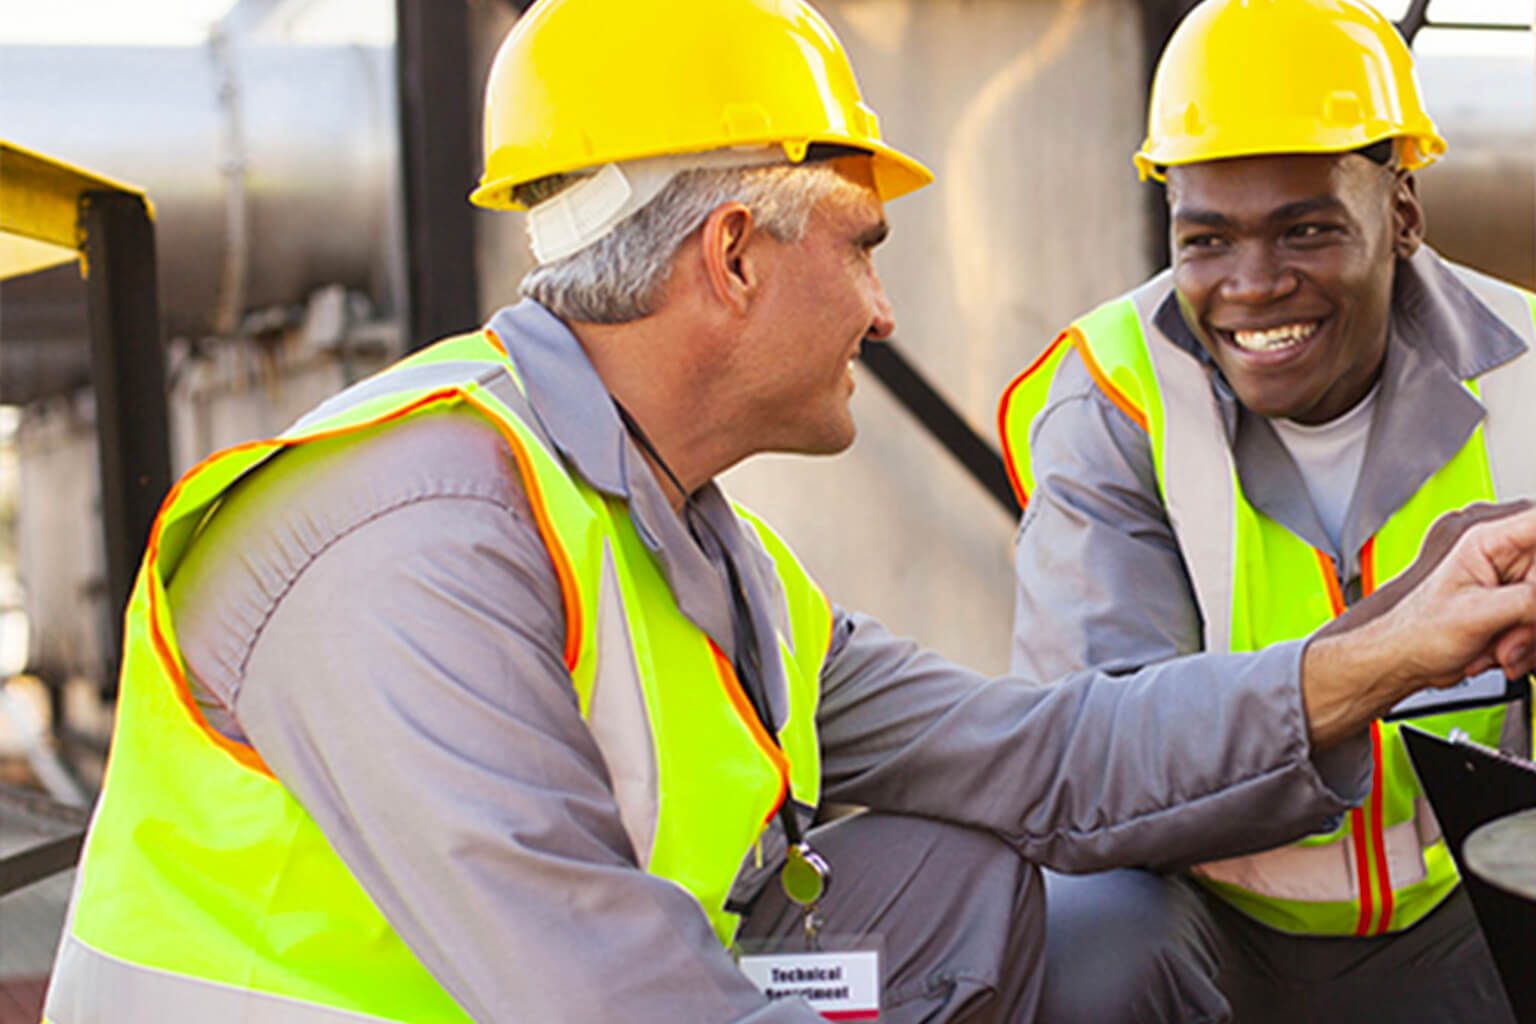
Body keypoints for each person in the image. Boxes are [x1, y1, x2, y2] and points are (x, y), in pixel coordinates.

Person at [45, 0, 1536, 1021]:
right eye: (867, 248)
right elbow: (614, 999)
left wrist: (1392, 652)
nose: (888, 315)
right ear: (737, 257)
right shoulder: (411, 540)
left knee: (973, 883)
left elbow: (1049, 759)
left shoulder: (706, 550)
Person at [997, 0, 1536, 1021]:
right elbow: (1097, 776)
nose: (1253, 285)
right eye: (1207, 239)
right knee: (1081, 936)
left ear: (1404, 213)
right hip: (1209, 932)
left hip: (1477, 912)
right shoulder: (1110, 393)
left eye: (1307, 229)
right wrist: (1400, 636)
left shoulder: (1532, 368)